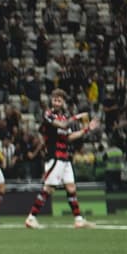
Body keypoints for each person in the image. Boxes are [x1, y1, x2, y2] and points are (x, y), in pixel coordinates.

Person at [24, 89, 101, 229]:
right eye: (55, 99)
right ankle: (31, 218)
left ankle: (78, 220)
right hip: (55, 157)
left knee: (71, 187)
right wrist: (77, 117)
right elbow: (62, 126)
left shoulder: (65, 117)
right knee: (48, 188)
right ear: (51, 101)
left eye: (60, 100)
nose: (57, 102)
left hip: (65, 157)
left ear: (63, 102)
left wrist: (87, 129)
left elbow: (69, 137)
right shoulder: (48, 114)